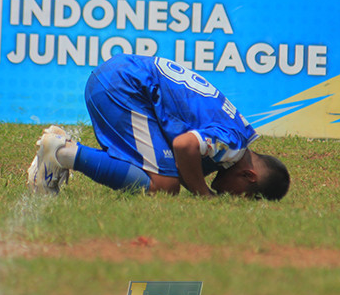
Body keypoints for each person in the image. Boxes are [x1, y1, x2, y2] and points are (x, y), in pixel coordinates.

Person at [26, 54, 290, 200]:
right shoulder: (231, 147)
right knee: (165, 185)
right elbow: (183, 145)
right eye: (240, 197)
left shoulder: (239, 133)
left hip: (121, 79)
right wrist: (203, 193)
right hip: (124, 87)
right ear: (249, 177)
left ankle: (62, 153)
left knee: (167, 173)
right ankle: (60, 152)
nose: (231, 198)